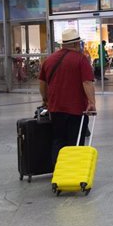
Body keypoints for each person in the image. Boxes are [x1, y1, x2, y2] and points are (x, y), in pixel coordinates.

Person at [38, 28, 97, 166]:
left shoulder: (49, 60)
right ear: (77, 44)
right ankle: (73, 174)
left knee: (58, 141)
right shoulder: (81, 59)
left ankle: (58, 175)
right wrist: (92, 102)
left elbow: (42, 83)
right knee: (75, 142)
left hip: (56, 109)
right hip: (77, 110)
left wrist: (46, 99)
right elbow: (87, 82)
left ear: (63, 44)